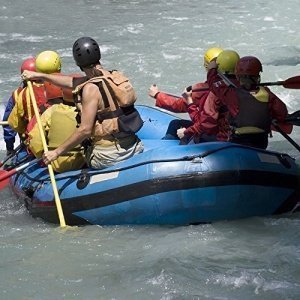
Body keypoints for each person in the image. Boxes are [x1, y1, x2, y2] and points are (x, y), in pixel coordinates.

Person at [22, 36, 144, 169]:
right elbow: (71, 82)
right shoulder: (113, 76)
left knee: (83, 150)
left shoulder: (90, 89)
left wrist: (56, 153)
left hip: (108, 156)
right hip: (133, 147)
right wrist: (41, 76)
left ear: (78, 63)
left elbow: (85, 130)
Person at [148, 47, 234, 143]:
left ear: (207, 67)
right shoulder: (240, 88)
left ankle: (163, 152)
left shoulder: (203, 90)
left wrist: (157, 95)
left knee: (175, 124)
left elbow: (178, 105)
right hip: (232, 134)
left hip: (216, 137)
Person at [207, 55, 289, 149]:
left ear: (238, 76)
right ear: (258, 76)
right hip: (261, 142)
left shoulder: (232, 94)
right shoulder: (267, 93)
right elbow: (282, 113)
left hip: (239, 141)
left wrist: (212, 70)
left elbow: (213, 84)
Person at [8, 50, 63, 143]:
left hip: (35, 142)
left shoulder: (21, 93)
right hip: (63, 139)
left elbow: (14, 124)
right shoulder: (66, 86)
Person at [28, 89, 85, 173]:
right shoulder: (87, 111)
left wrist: (43, 156)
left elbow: (35, 141)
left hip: (55, 163)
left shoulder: (51, 111)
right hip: (82, 162)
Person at [1, 57, 36, 155]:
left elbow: (9, 125)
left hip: (29, 145)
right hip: (50, 143)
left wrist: (10, 148)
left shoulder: (17, 95)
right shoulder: (51, 91)